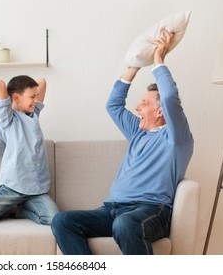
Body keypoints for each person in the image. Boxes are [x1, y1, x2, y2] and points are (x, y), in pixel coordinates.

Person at [51, 29, 194, 255]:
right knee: (62, 221)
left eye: (144, 103)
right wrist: (135, 65)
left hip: (150, 210)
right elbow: (113, 105)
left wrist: (158, 60)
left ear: (161, 112)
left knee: (125, 224)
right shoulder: (137, 133)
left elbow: (168, 97)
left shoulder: (177, 138)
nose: (137, 107)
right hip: (111, 210)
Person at [0, 75, 59, 227]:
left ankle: (22, 211)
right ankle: (12, 205)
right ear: (16, 97)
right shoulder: (7, 118)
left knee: (55, 220)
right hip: (13, 188)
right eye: (32, 97)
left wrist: (30, 94)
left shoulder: (33, 114)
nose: (36, 100)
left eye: (36, 96)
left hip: (36, 191)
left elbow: (42, 81)